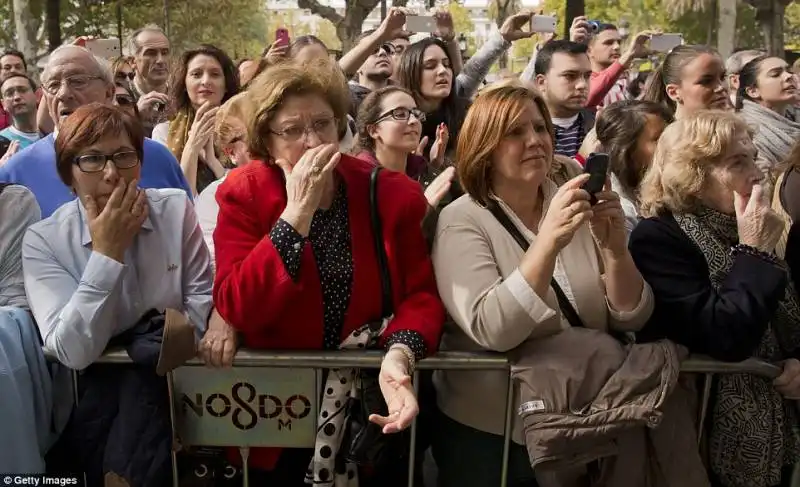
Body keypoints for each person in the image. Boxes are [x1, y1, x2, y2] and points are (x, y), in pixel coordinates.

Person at [212, 59, 444, 485]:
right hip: (276, 414)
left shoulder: (389, 193)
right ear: (266, 138)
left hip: (364, 414)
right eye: (293, 130)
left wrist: (399, 354)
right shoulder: (244, 192)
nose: (313, 140)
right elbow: (239, 306)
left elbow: (421, 296)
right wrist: (295, 215)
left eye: (324, 124)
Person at [430, 80, 654, 487]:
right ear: (484, 146)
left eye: (540, 128)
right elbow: (493, 328)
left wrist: (616, 250)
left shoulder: (570, 198)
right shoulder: (462, 219)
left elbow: (627, 316)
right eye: (515, 132)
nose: (534, 140)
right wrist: (548, 242)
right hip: (494, 434)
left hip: (581, 420)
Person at [22, 103, 214, 485]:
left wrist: (150, 345)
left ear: (139, 164)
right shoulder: (44, 241)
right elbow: (72, 350)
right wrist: (107, 253)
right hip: (88, 409)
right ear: (69, 175)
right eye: (91, 160)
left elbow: (199, 305)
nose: (110, 174)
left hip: (182, 402)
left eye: (123, 156)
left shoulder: (174, 211)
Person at [629, 110, 800, 487]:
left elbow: (788, 320)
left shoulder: (748, 227)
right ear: (693, 175)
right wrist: (754, 252)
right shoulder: (658, 238)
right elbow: (725, 335)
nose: (757, 174)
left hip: (778, 430)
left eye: (755, 158)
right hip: (698, 434)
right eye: (738, 162)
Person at [0, 45, 191, 218]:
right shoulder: (15, 174)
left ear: (109, 93)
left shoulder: (157, 157)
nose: (64, 94)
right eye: (53, 85)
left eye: (78, 81)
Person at [152, 44, 240, 194]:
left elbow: (245, 190)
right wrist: (192, 148)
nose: (205, 81)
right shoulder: (164, 132)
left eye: (215, 74)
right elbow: (178, 198)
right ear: (184, 84)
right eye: (196, 74)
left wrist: (212, 161)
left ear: (226, 85)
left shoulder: (243, 129)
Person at [595, 99, 672, 235]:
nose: (672, 144)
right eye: (658, 138)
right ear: (627, 152)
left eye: (669, 135)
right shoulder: (620, 214)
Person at [735, 55, 800, 184]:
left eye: (789, 71)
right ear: (753, 91)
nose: (788, 76)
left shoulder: (791, 121)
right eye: (776, 74)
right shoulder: (744, 131)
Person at [641, 44, 730, 119]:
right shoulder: (659, 137)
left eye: (722, 77)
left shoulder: (738, 134)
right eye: (706, 81)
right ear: (673, 92)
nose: (721, 87)